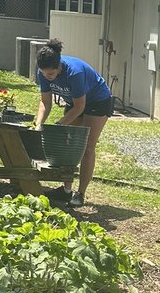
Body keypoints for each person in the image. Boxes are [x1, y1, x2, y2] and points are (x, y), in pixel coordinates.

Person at [34, 39, 113, 208]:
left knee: (87, 146)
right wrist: (39, 124)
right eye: (43, 73)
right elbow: (45, 103)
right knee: (68, 145)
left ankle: (80, 193)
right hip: (76, 102)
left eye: (50, 74)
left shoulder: (74, 73)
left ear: (59, 67)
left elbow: (79, 107)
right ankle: (66, 191)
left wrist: (59, 125)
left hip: (98, 102)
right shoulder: (43, 72)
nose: (46, 77)